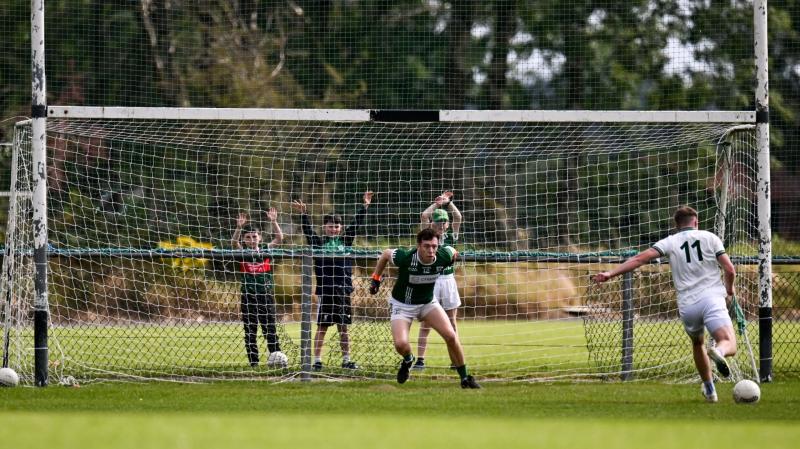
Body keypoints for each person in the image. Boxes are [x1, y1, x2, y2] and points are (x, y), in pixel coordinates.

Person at [593, 206, 737, 403]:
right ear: (696, 222)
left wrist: (610, 274)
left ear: (676, 225)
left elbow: (638, 259)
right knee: (728, 342)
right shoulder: (710, 237)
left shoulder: (670, 241)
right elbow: (730, 270)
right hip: (711, 299)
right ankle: (719, 352)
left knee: (698, 343)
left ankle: (710, 390)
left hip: (688, 305)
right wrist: (729, 289)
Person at [369, 228, 480, 389]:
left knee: (450, 335)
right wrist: (376, 279)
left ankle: (465, 378)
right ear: (418, 246)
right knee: (400, 344)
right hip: (403, 305)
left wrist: (452, 258)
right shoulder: (406, 258)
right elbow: (386, 253)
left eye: (434, 246)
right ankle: (408, 359)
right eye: (427, 246)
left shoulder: (444, 255)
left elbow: (453, 253)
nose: (431, 250)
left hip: (427, 303)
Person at [292, 191, 373, 371]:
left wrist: (365, 206)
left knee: (343, 327)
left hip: (343, 291)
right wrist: (304, 214)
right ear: (325, 227)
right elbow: (308, 232)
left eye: (336, 226)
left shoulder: (345, 242)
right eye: (330, 226)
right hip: (326, 292)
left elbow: (355, 225)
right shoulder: (319, 244)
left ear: (340, 228)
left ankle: (346, 359)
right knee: (322, 327)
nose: (333, 229)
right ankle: (317, 361)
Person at [413, 191, 462, 371]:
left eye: (443, 222)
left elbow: (458, 216)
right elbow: (424, 215)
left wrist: (447, 203)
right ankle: (420, 359)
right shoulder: (427, 237)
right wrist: (436, 204)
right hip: (431, 280)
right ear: (432, 223)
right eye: (437, 221)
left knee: (452, 321)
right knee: (426, 322)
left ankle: (455, 360)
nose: (441, 225)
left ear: (447, 224)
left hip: (448, 280)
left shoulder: (451, 237)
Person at [231, 208, 285, 367]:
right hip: (248, 296)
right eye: (248, 237)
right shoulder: (243, 252)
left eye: (254, 236)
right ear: (244, 240)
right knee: (250, 330)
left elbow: (279, 238)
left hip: (265, 295)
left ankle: (276, 358)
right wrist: (239, 227)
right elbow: (234, 242)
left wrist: (273, 221)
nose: (252, 239)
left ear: (259, 237)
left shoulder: (266, 249)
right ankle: (253, 362)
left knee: (270, 328)